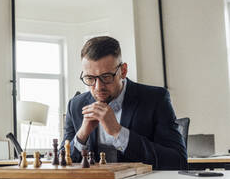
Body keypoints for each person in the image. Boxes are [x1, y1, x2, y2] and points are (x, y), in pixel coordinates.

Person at [60, 36, 187, 170]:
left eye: (106, 77)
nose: (98, 87)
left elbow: (178, 161)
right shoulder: (75, 106)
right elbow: (62, 162)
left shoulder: (156, 99)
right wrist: (81, 136)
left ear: (123, 71)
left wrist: (118, 132)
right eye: (90, 78)